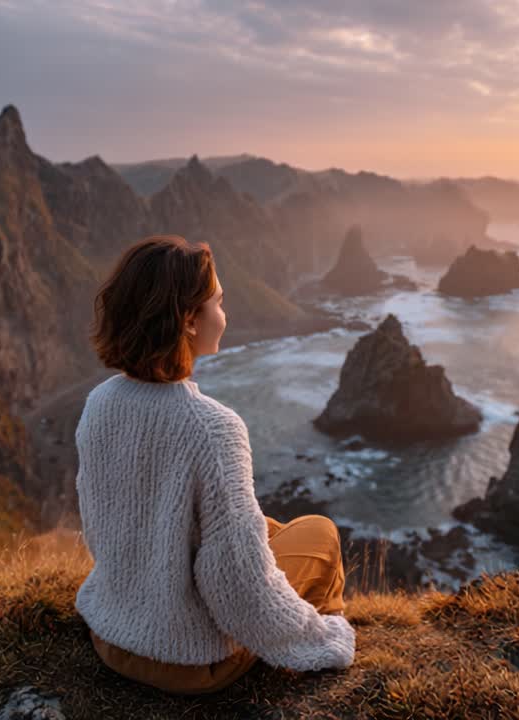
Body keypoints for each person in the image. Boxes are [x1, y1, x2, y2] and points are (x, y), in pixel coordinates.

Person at [74, 234, 355, 695]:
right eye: (218, 302)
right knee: (320, 532)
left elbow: (108, 522)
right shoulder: (211, 428)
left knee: (261, 526)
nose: (225, 315)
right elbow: (236, 584)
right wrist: (322, 639)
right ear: (188, 320)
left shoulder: (99, 404)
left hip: (110, 636)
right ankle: (320, 634)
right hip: (186, 663)